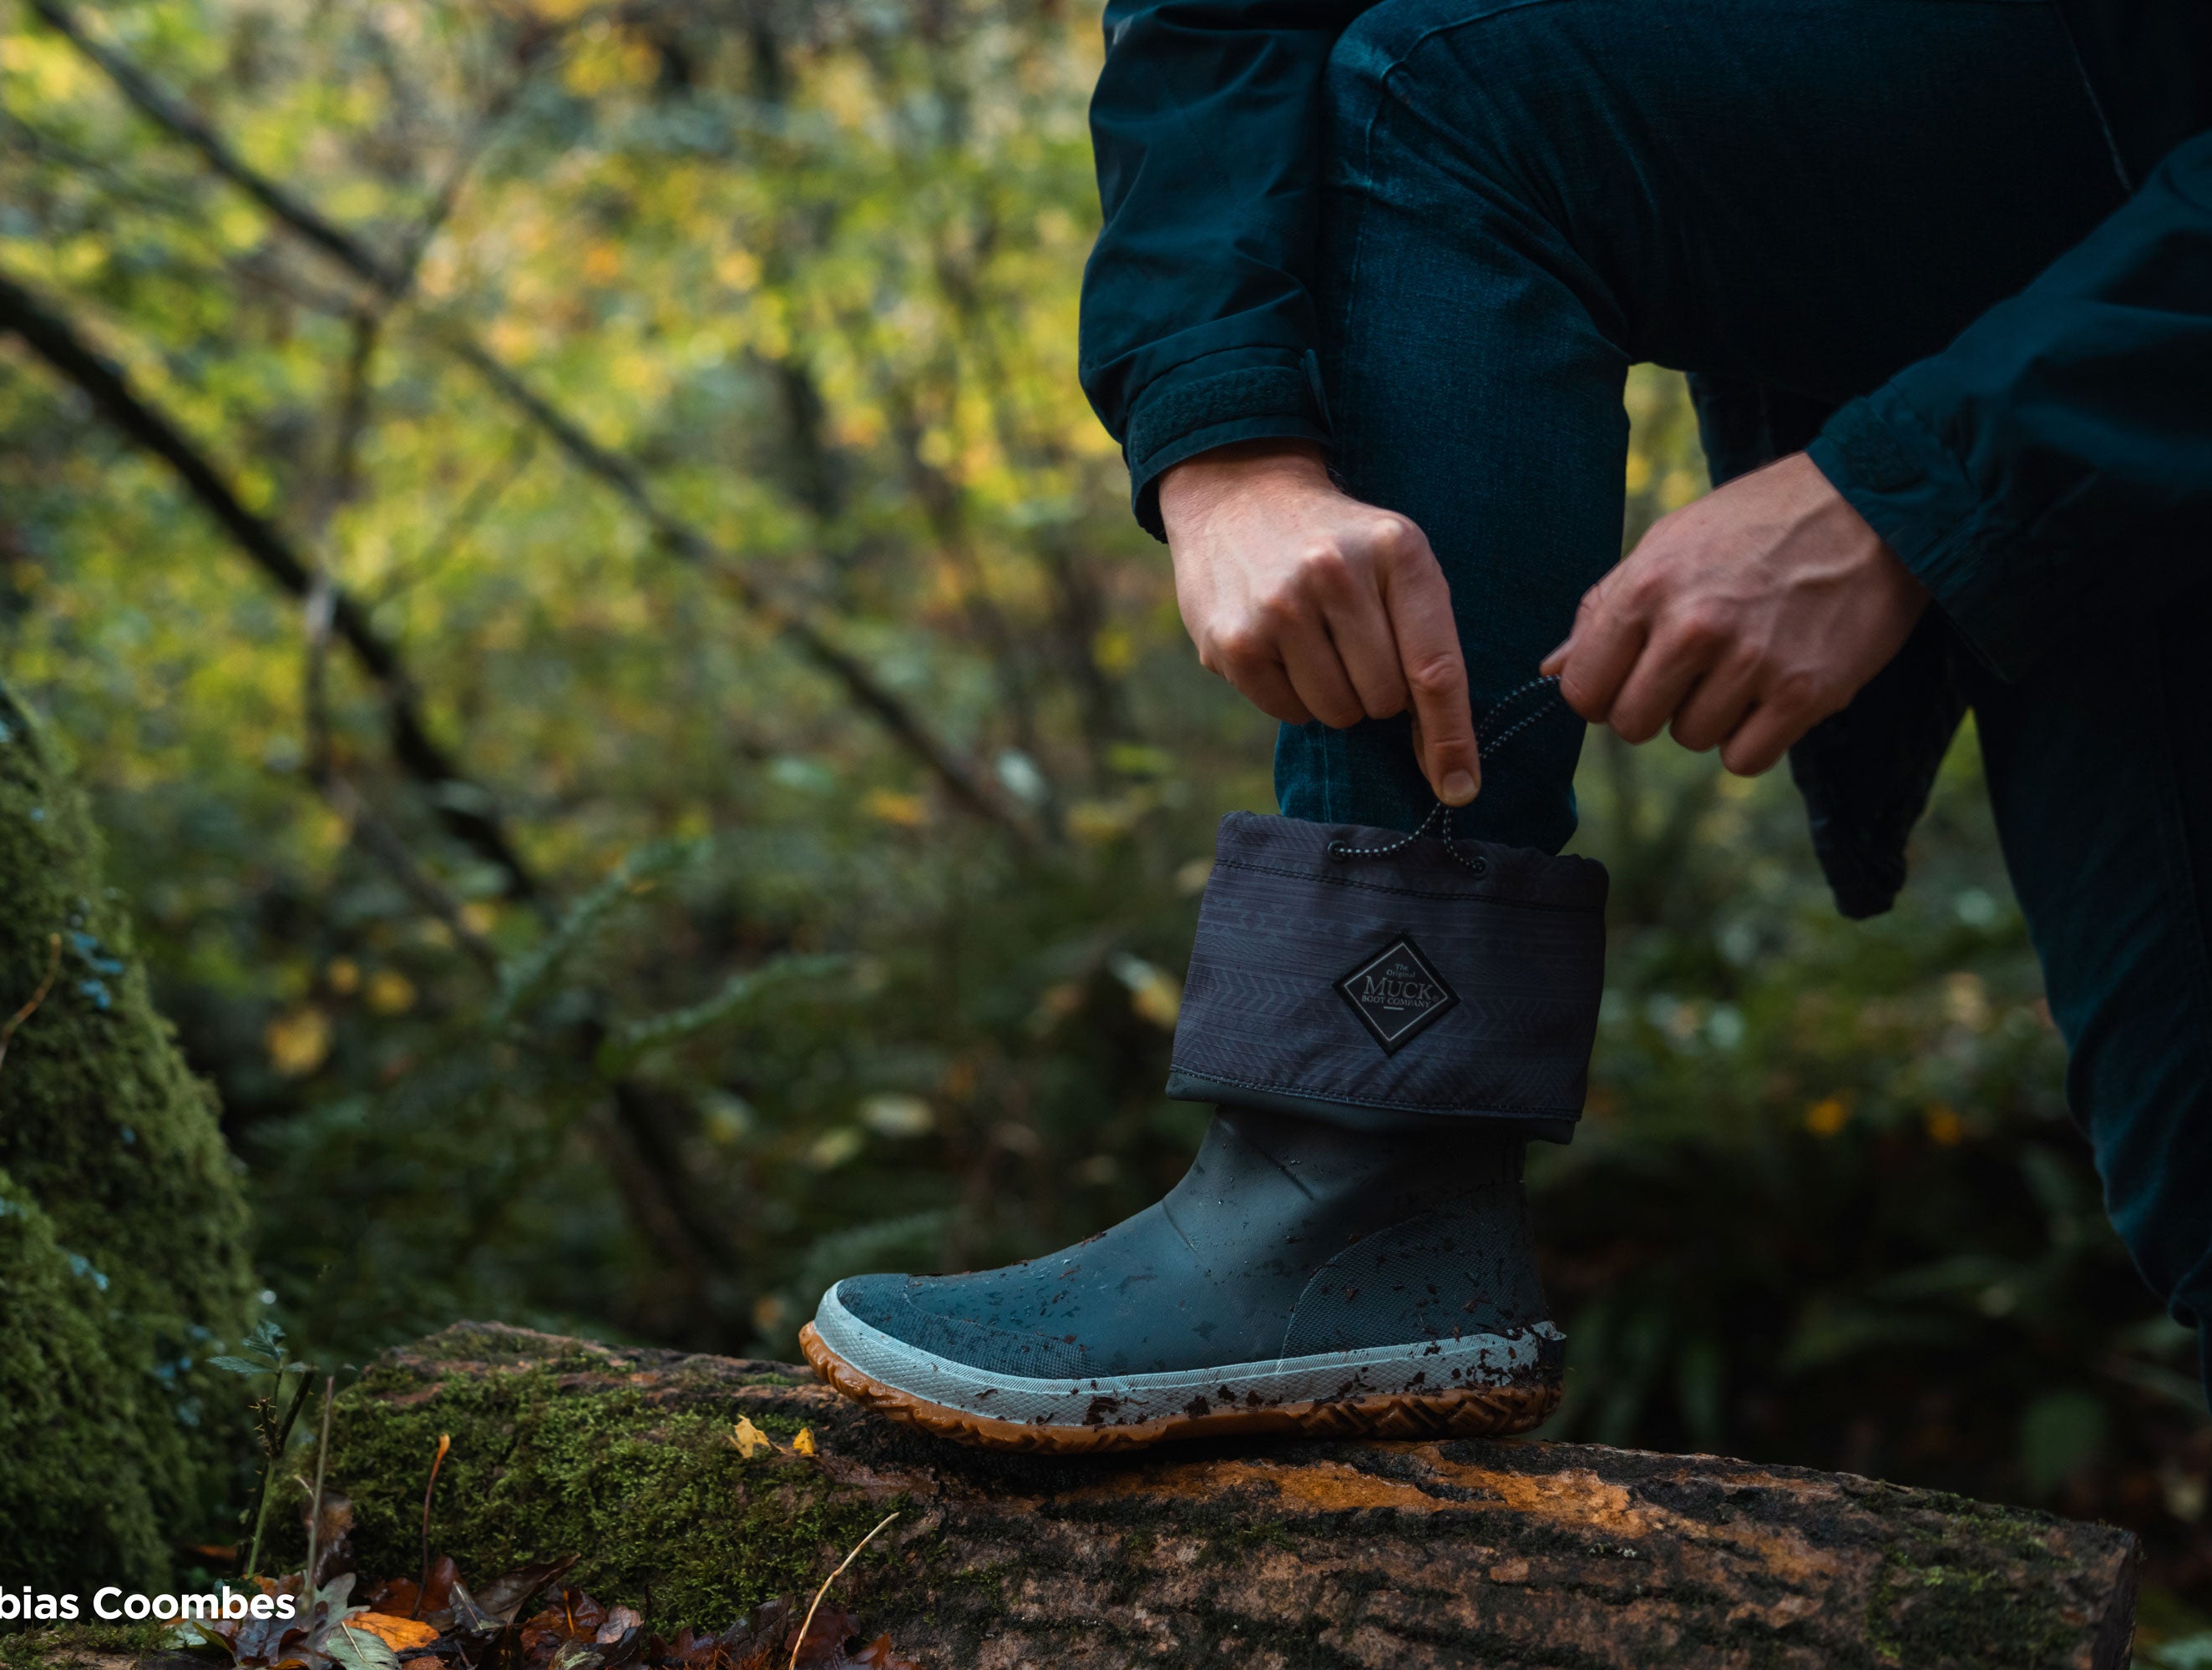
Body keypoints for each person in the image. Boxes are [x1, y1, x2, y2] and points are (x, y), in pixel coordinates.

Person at [801, 0, 2212, 1451]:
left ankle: (1362, 1157)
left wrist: (1913, 492)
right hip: (2087, 327)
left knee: (1451, 91)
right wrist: (1225, 451)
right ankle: (1357, 1190)